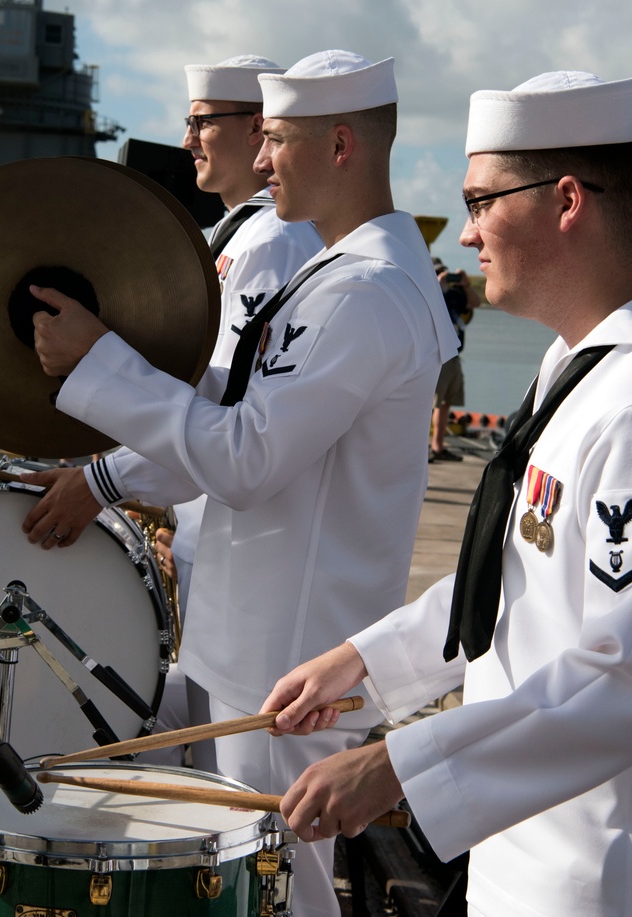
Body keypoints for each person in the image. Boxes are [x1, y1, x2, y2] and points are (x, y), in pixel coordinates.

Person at [259, 71, 632, 917]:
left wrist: (399, 763)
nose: (465, 234)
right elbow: (512, 581)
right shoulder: (580, 366)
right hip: (526, 853)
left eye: (481, 201)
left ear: (565, 200)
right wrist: (365, 663)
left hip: (613, 881)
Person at [26, 50, 458, 917]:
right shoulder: (334, 274)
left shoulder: (365, 292)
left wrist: (101, 364)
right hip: (259, 642)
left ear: (340, 145)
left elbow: (246, 459)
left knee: (280, 893)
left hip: (288, 656)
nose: (261, 159)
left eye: (280, 139)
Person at [429, 258, 478, 462]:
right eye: (438, 273)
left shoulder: (454, 294)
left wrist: (465, 285)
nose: (444, 276)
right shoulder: (429, 294)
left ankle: (438, 446)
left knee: (445, 403)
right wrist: (436, 287)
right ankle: (423, 450)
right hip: (435, 355)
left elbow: (474, 303)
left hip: (453, 355)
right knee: (431, 403)